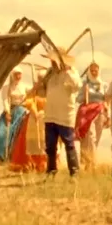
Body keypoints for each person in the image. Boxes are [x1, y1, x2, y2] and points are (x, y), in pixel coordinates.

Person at [38, 47, 82, 178]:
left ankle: (74, 173)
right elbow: (42, 91)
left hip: (65, 115)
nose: (51, 63)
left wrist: (66, 70)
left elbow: (77, 85)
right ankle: (51, 171)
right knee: (50, 146)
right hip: (50, 114)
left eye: (53, 60)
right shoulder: (50, 73)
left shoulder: (71, 72)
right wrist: (39, 85)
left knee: (69, 144)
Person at [0, 67, 32, 164]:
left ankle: (14, 159)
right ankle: (1, 158)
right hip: (10, 111)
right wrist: (7, 112)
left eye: (19, 74)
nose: (18, 76)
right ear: (12, 75)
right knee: (2, 134)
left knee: (17, 135)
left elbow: (33, 91)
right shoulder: (6, 87)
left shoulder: (24, 86)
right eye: (16, 74)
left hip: (21, 112)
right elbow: (5, 100)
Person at [75, 62, 107, 171]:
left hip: (100, 111)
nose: (94, 72)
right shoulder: (85, 83)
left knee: (96, 138)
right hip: (87, 112)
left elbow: (106, 100)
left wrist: (108, 115)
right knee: (90, 137)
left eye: (96, 70)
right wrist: (84, 93)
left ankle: (89, 161)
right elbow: (77, 99)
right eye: (92, 70)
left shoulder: (103, 85)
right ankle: (92, 163)